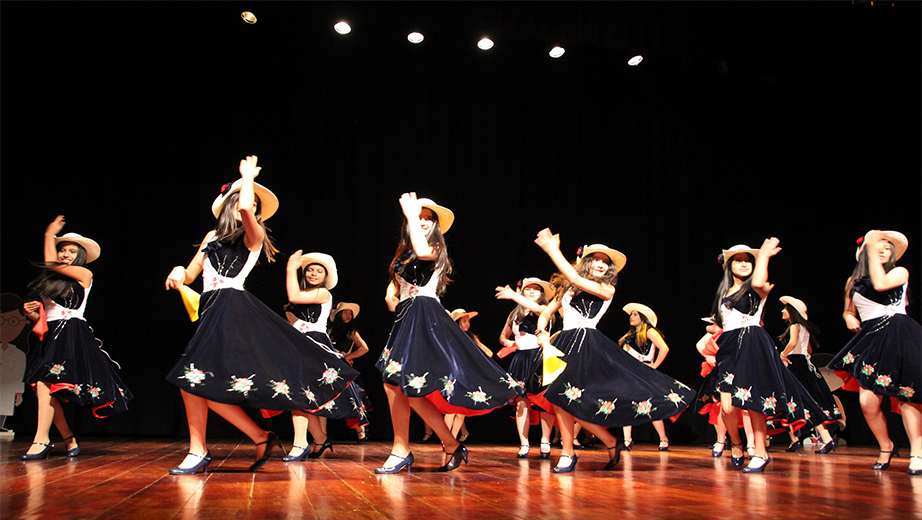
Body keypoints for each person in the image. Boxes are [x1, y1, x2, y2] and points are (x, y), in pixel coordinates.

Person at [164, 156, 357, 474]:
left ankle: (203, 450)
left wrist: (246, 179)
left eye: (253, 203)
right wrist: (177, 272)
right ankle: (253, 437)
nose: (248, 206)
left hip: (233, 310)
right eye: (244, 199)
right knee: (193, 381)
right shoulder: (212, 239)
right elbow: (190, 272)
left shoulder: (254, 237)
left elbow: (244, 211)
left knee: (193, 378)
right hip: (210, 310)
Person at [374, 193, 521, 473]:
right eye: (419, 217)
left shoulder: (433, 248)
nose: (423, 221)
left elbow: (421, 252)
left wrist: (410, 215)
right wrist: (392, 295)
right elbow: (397, 281)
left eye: (428, 218)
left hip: (424, 315)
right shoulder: (404, 252)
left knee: (403, 383)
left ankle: (405, 448)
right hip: (407, 314)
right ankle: (440, 444)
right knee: (397, 384)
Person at [533, 231, 695, 473]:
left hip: (586, 344)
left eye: (605, 261)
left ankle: (573, 452)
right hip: (563, 344)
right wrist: (541, 330)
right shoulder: (568, 289)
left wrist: (553, 251)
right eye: (596, 259)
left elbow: (576, 280)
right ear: (587, 261)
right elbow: (547, 311)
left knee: (565, 398)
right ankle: (601, 443)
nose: (601, 263)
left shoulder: (607, 288)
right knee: (560, 401)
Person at [710, 241, 833, 473]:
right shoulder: (724, 293)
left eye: (748, 260)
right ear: (729, 265)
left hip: (751, 344)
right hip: (728, 347)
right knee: (726, 407)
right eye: (739, 260)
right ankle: (736, 445)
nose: (744, 264)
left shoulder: (758, 287)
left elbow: (758, 281)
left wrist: (764, 256)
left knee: (753, 402)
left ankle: (760, 452)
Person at [20, 216, 132, 459]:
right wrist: (31, 314)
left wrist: (49, 234)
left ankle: (42, 440)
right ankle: (68, 438)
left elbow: (50, 264)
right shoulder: (50, 283)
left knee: (45, 385)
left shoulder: (84, 274)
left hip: (70, 334)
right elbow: (45, 316)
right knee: (47, 390)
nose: (64, 255)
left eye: (71, 251)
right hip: (49, 336)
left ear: (79, 257)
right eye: (62, 250)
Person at [827, 230, 921, 474]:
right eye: (877, 245)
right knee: (867, 402)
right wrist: (848, 317)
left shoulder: (899, 272)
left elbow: (880, 284)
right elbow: (849, 310)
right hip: (872, 340)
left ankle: (917, 452)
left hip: (900, 336)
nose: (883, 249)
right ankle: (886, 446)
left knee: (907, 397)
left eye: (887, 247)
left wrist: (871, 247)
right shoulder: (853, 282)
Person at [273, 252, 369, 461]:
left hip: (314, 344)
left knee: (301, 394)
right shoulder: (298, 301)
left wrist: (290, 267)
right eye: (310, 269)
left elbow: (294, 297)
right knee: (303, 395)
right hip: (298, 344)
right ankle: (319, 438)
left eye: (319, 271)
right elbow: (292, 316)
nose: (313, 273)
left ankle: (301, 443)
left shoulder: (324, 293)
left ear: (325, 276)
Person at [496, 278, 557, 459]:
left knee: (544, 401)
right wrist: (507, 342)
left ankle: (545, 440)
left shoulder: (546, 311)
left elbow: (539, 310)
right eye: (528, 289)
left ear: (542, 294)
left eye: (536, 290)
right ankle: (524, 443)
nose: (531, 292)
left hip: (540, 357)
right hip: (521, 359)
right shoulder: (514, 314)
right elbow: (502, 335)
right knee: (521, 402)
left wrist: (513, 295)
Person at [776, 295, 842, 453]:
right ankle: (818, 439)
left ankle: (807, 439)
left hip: (795, 365)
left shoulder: (794, 326)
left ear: (792, 311)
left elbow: (792, 343)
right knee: (806, 403)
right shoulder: (804, 328)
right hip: (806, 364)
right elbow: (809, 351)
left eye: (785, 308)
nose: (782, 311)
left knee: (794, 401)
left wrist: (782, 355)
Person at [618, 303, 673, 452]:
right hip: (630, 375)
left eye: (635, 314)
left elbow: (664, 348)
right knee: (627, 406)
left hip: (645, 374)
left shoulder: (650, 332)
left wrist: (654, 366)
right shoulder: (628, 337)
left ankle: (663, 438)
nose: (631, 317)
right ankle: (627, 440)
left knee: (650, 406)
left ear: (642, 317)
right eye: (631, 314)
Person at [327, 301, 372, 441]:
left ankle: (361, 431)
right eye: (345, 312)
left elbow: (364, 348)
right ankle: (321, 435)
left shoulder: (351, 332)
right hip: (329, 366)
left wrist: (348, 356)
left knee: (349, 398)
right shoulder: (329, 331)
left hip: (342, 367)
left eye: (350, 314)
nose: (348, 315)